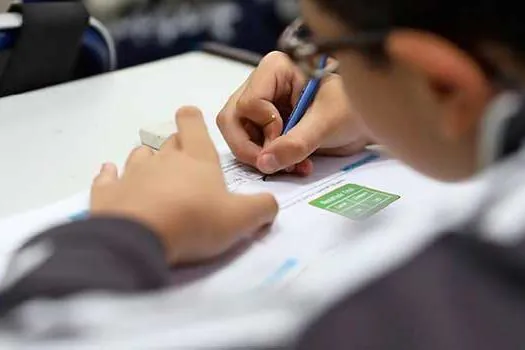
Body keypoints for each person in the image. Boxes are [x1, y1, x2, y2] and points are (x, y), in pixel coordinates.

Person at [2, 0, 525, 348]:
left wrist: (125, 233)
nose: (318, 68)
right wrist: (405, 109)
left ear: (445, 83)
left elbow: (39, 337)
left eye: (324, 49)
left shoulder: (429, 310)